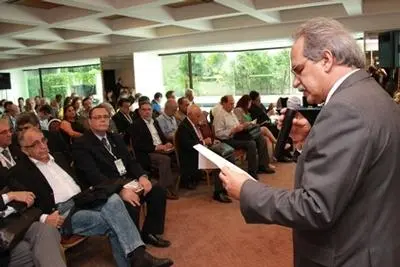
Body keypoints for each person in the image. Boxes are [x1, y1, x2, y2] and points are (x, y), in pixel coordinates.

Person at [219, 17, 400, 267]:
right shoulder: (372, 95)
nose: (295, 81)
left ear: (326, 59)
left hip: (349, 254)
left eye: (299, 69)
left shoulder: (345, 109)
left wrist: (248, 190)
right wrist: (307, 140)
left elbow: (316, 207)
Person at [9, 127, 173, 267]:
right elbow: (23, 206)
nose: (43, 146)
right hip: (62, 212)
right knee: (114, 219)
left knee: (114, 199)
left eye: (43, 140)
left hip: (83, 199)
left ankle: (136, 259)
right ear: (24, 149)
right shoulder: (20, 172)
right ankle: (138, 257)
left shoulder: (58, 157)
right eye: (35, 144)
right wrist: (44, 218)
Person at [72, 106, 173, 248]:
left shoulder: (115, 138)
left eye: (105, 117)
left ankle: (150, 233)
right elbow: (93, 176)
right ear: (89, 121)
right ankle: (134, 244)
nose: (102, 120)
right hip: (105, 187)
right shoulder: (82, 144)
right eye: (97, 117)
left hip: (127, 180)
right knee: (130, 202)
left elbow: (131, 161)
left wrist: (142, 176)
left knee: (158, 190)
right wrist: (119, 190)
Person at [175, 104, 232, 202]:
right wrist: (204, 142)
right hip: (192, 157)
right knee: (219, 159)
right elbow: (189, 146)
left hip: (201, 150)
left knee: (228, 154)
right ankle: (218, 192)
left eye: (200, 115)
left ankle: (227, 185)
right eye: (197, 116)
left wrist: (210, 141)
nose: (199, 118)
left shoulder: (194, 124)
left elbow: (201, 138)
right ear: (189, 115)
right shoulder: (183, 128)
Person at [129, 102, 179, 200]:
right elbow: (138, 145)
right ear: (139, 111)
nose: (147, 112)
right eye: (144, 110)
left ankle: (178, 182)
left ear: (152, 111)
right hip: (147, 153)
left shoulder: (154, 121)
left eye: (149, 109)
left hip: (162, 149)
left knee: (177, 156)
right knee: (165, 160)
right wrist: (156, 147)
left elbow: (161, 136)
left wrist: (166, 143)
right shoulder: (136, 125)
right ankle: (164, 189)